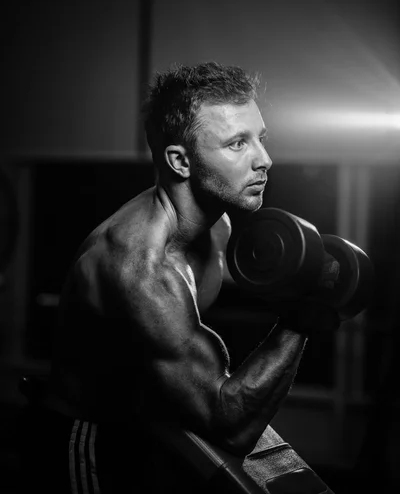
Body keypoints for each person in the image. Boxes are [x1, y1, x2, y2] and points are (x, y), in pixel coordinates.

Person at [20, 61, 337, 494]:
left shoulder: (217, 226)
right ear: (179, 161)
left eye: (260, 138)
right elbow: (232, 425)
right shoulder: (140, 269)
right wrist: (302, 317)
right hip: (90, 439)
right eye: (237, 144)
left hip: (154, 424)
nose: (265, 160)